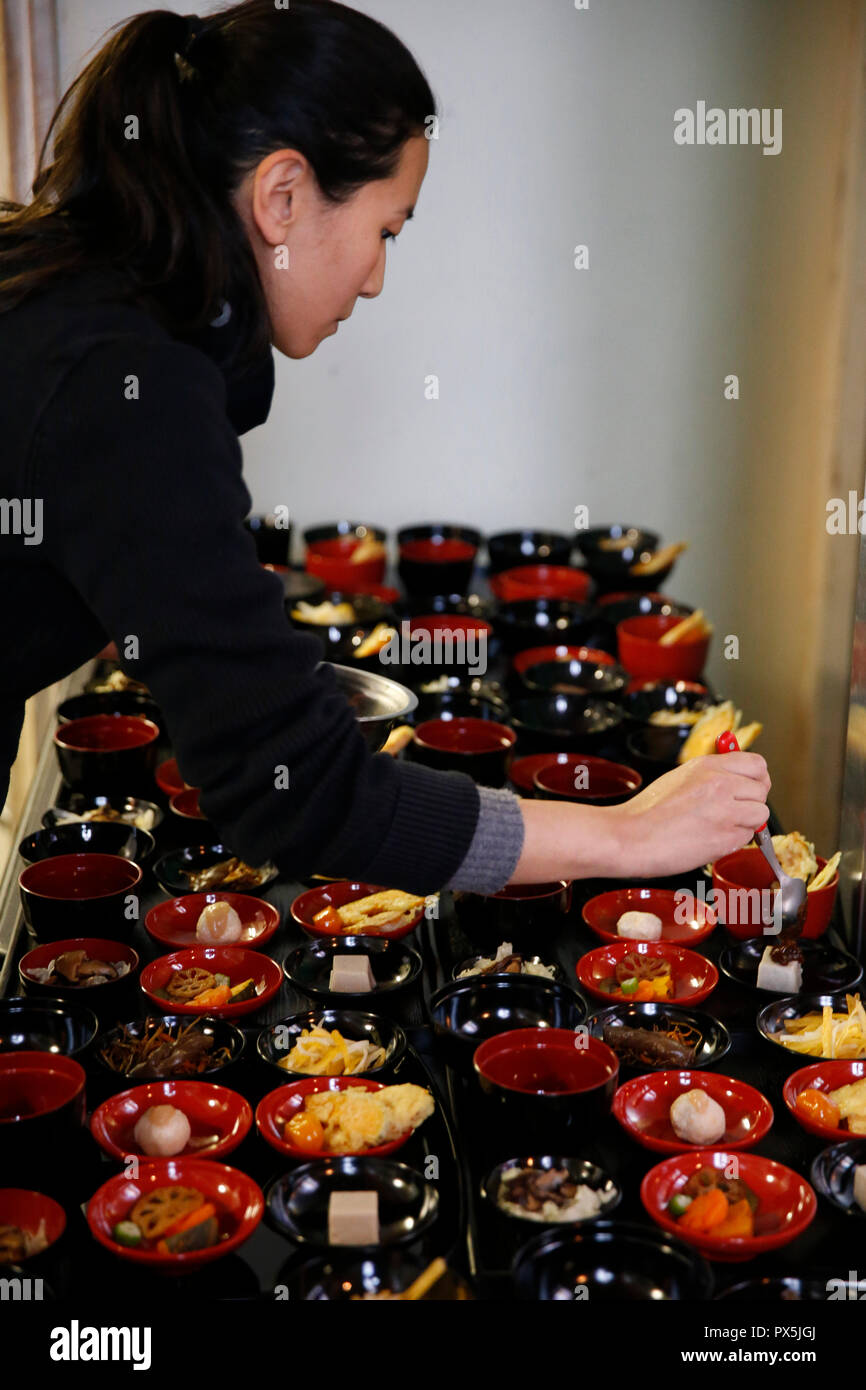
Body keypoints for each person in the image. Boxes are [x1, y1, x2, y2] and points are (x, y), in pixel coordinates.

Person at [0, 0, 770, 896]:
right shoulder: (125, 380)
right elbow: (299, 794)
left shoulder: (79, 302)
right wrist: (628, 837)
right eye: (386, 230)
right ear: (283, 196)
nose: (375, 278)